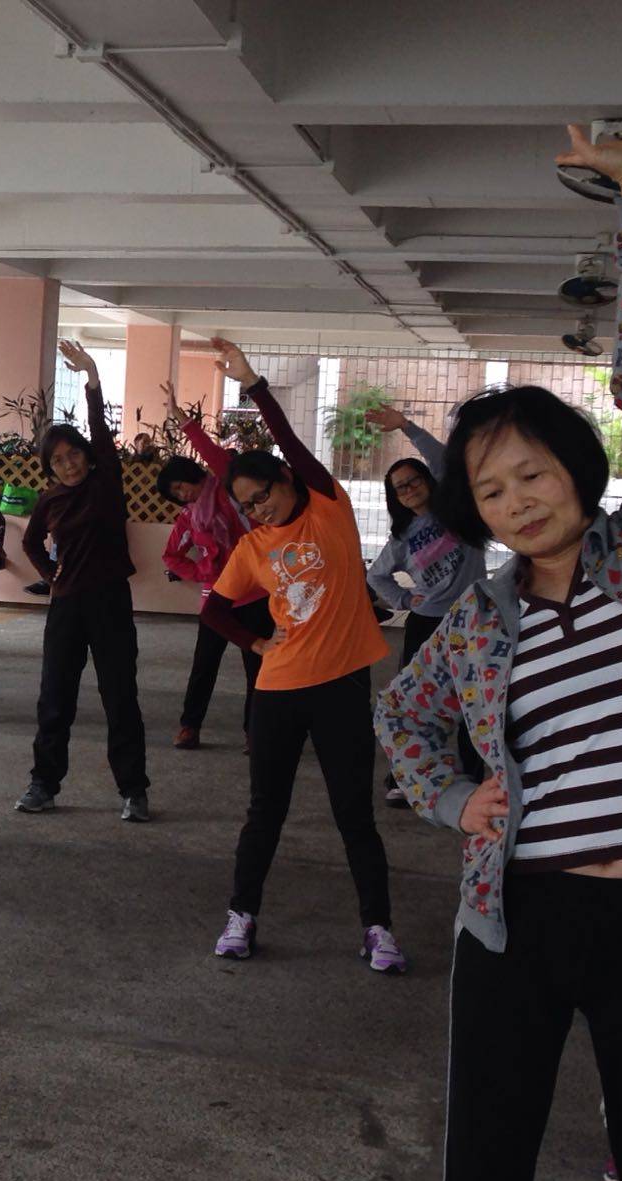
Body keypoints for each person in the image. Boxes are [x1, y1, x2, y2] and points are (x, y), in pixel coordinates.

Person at [376, 128, 622, 1181]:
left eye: (532, 472)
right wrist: (451, 798)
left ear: (574, 466)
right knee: (487, 1156)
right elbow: (401, 715)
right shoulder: (479, 621)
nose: (518, 500)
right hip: (520, 911)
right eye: (492, 491)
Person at [200, 337, 404, 973]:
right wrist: (258, 643)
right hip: (278, 692)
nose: (258, 510)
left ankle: (378, 928)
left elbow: (290, 443)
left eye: (263, 496)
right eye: (247, 506)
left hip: (341, 686)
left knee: (354, 814)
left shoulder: (327, 509)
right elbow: (213, 610)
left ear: (286, 482)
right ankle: (241, 916)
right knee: (265, 811)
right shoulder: (253, 548)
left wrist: (254, 384)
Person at [15, 341, 150, 823]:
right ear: (49, 468)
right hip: (67, 605)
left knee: (120, 697)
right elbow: (30, 542)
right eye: (58, 461)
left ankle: (133, 790)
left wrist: (92, 376)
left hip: (110, 601)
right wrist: (50, 576)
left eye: (73, 455)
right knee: (55, 698)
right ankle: (43, 784)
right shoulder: (50, 500)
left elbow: (99, 430)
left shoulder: (105, 481)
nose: (68, 464)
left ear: (86, 456)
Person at [363, 405, 487, 803]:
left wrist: (406, 426)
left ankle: (471, 781)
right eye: (400, 487)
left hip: (473, 618)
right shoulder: (401, 539)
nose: (409, 489)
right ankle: (407, 777)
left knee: (474, 700)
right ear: (395, 498)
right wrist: (404, 599)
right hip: (426, 624)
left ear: (428, 480)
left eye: (414, 480)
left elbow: (445, 462)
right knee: (417, 703)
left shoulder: (456, 508)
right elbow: (376, 576)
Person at [157, 394, 273, 752]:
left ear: (192, 475)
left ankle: (256, 732)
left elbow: (214, 456)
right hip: (217, 599)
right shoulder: (190, 517)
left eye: (182, 485)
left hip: (255, 592)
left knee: (258, 666)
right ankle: (189, 727)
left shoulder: (229, 490)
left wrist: (185, 422)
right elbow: (171, 556)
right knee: (204, 665)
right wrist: (203, 571)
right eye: (176, 494)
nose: (183, 494)